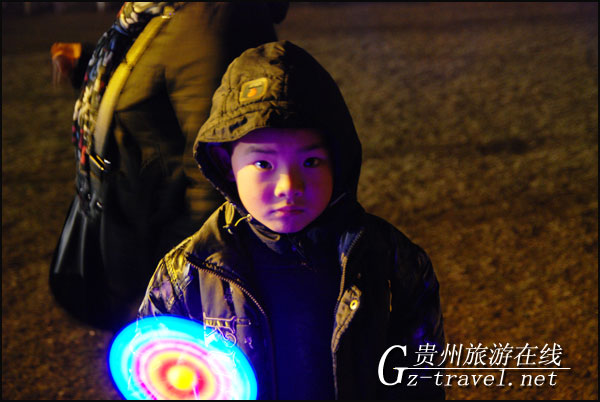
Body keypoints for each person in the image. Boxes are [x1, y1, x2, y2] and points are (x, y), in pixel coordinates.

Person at [138, 40, 445, 399]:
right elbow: (157, 377)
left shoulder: (391, 260)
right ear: (225, 163)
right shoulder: (187, 273)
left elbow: (420, 378)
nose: (289, 187)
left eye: (310, 162)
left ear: (338, 162)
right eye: (263, 164)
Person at [49, 2, 288, 331]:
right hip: (138, 245)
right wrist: (90, 64)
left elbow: (214, 174)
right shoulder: (163, 12)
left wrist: (180, 287)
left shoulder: (209, 19)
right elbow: (160, 84)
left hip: (165, 263)